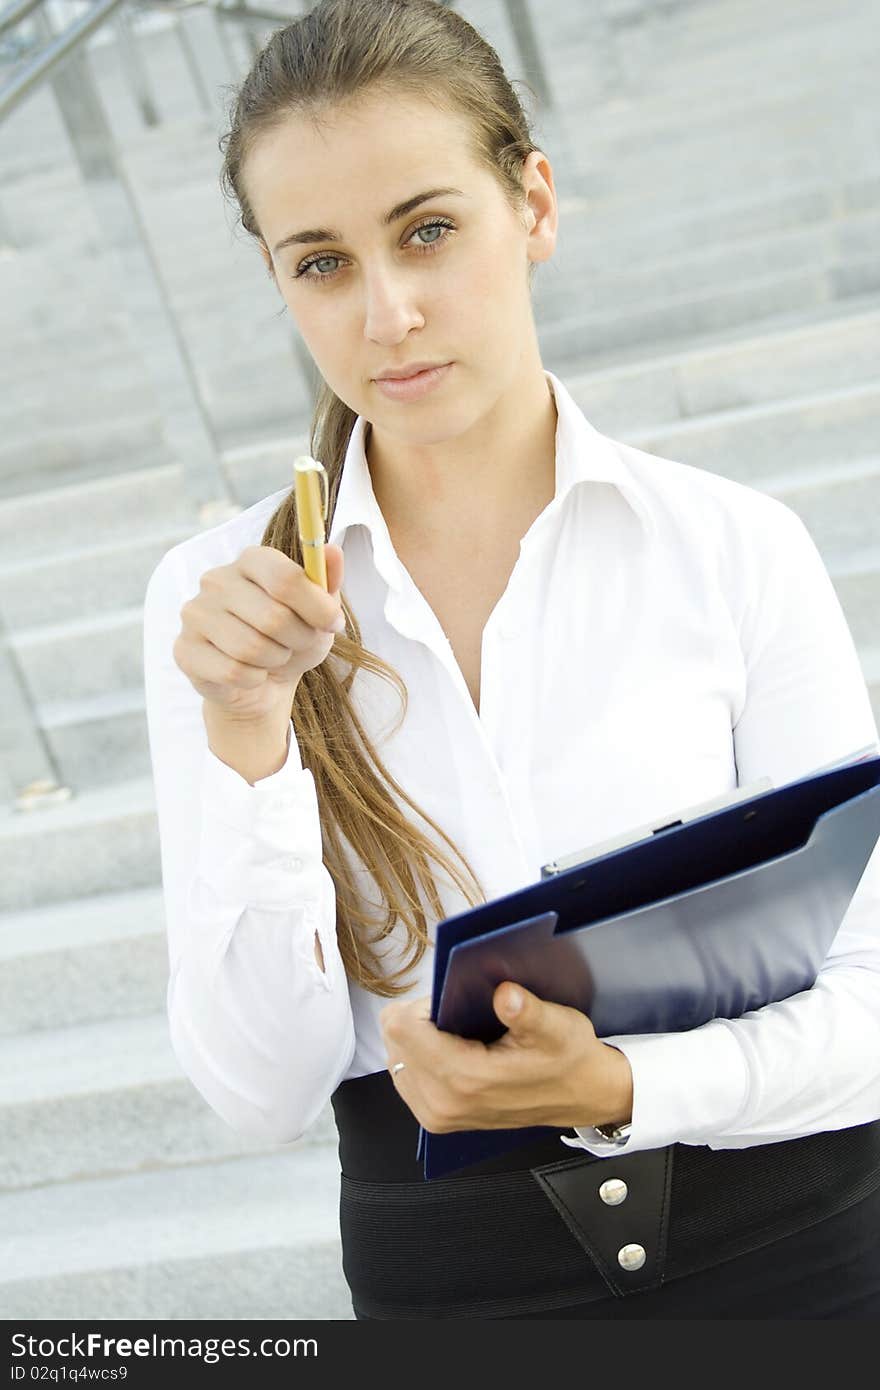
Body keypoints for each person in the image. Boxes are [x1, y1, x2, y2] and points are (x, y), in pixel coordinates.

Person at [142, 0, 880, 1319]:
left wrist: (627, 1086)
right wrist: (249, 733)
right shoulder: (215, 610)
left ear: (532, 204)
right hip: (458, 1288)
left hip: (801, 1254)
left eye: (429, 229)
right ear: (277, 280)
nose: (389, 311)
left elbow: (873, 1006)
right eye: (320, 262)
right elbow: (258, 1090)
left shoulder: (730, 547)